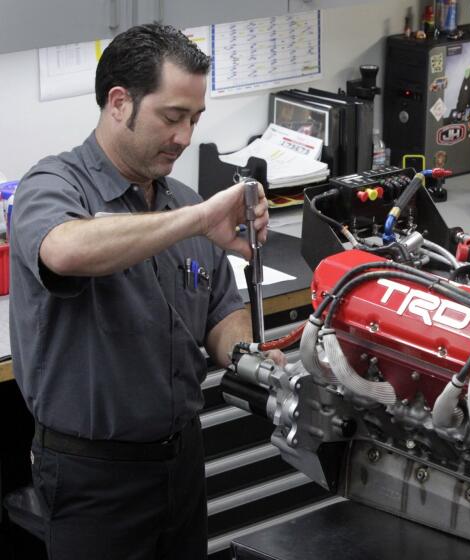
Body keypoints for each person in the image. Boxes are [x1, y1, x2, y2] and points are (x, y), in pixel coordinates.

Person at [9, 24, 283, 559]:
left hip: (182, 459)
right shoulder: (53, 185)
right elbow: (66, 250)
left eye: (195, 119)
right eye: (172, 117)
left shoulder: (181, 202)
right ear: (119, 102)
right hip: (93, 475)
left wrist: (259, 363)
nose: (184, 136)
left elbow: (220, 313)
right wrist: (199, 217)